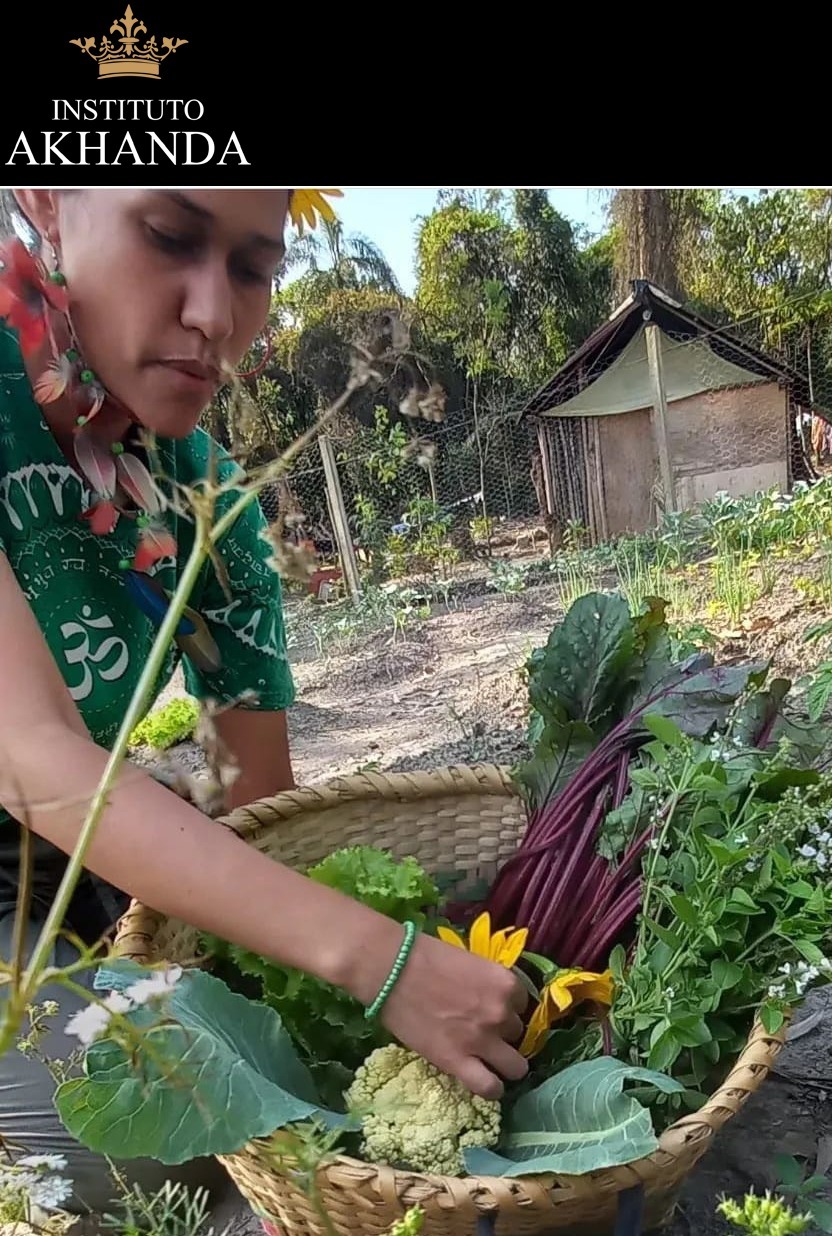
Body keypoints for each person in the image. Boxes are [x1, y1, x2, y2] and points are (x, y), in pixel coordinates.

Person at [0, 189, 528, 1214]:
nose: (215, 314)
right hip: (28, 849)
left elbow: (261, 810)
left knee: (262, 1095)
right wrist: (381, 962)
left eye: (252, 268)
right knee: (137, 1166)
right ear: (50, 206)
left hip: (76, 867)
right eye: (168, 237)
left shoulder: (208, 498)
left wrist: (317, 995)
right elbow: (28, 752)